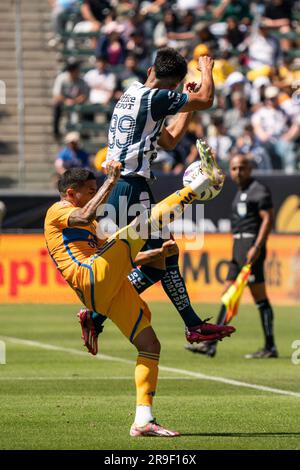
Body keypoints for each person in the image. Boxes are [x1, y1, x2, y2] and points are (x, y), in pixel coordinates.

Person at [44, 160, 234, 437]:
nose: (99, 194)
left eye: (98, 188)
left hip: (104, 288)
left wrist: (156, 255)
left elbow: (120, 255)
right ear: (71, 193)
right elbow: (85, 219)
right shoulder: (59, 210)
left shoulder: (91, 223)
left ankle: (143, 420)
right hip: (88, 275)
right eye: (90, 190)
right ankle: (196, 188)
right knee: (142, 223)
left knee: (150, 344)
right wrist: (111, 181)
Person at [101, 47, 223, 346]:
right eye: (175, 88)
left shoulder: (133, 92)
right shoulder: (157, 98)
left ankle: (192, 324)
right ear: (171, 85)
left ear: (149, 72)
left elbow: (167, 140)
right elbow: (207, 99)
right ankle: (96, 313)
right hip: (131, 185)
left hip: (123, 185)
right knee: (163, 252)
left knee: (163, 258)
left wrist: (186, 104)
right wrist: (206, 69)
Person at [186, 154, 278, 359]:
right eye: (234, 168)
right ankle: (210, 344)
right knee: (228, 294)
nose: (238, 172)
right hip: (238, 249)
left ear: (250, 169)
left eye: (242, 168)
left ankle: (270, 346)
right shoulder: (240, 192)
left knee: (259, 298)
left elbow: (268, 219)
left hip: (250, 248)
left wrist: (256, 246)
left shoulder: (258, 190)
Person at [52, 62, 90, 139]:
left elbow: (85, 96)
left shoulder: (81, 80)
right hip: (63, 102)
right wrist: (66, 100)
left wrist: (75, 101)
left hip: (77, 103)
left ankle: (85, 132)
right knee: (57, 106)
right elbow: (56, 95)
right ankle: (56, 131)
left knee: (87, 108)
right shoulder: (61, 78)